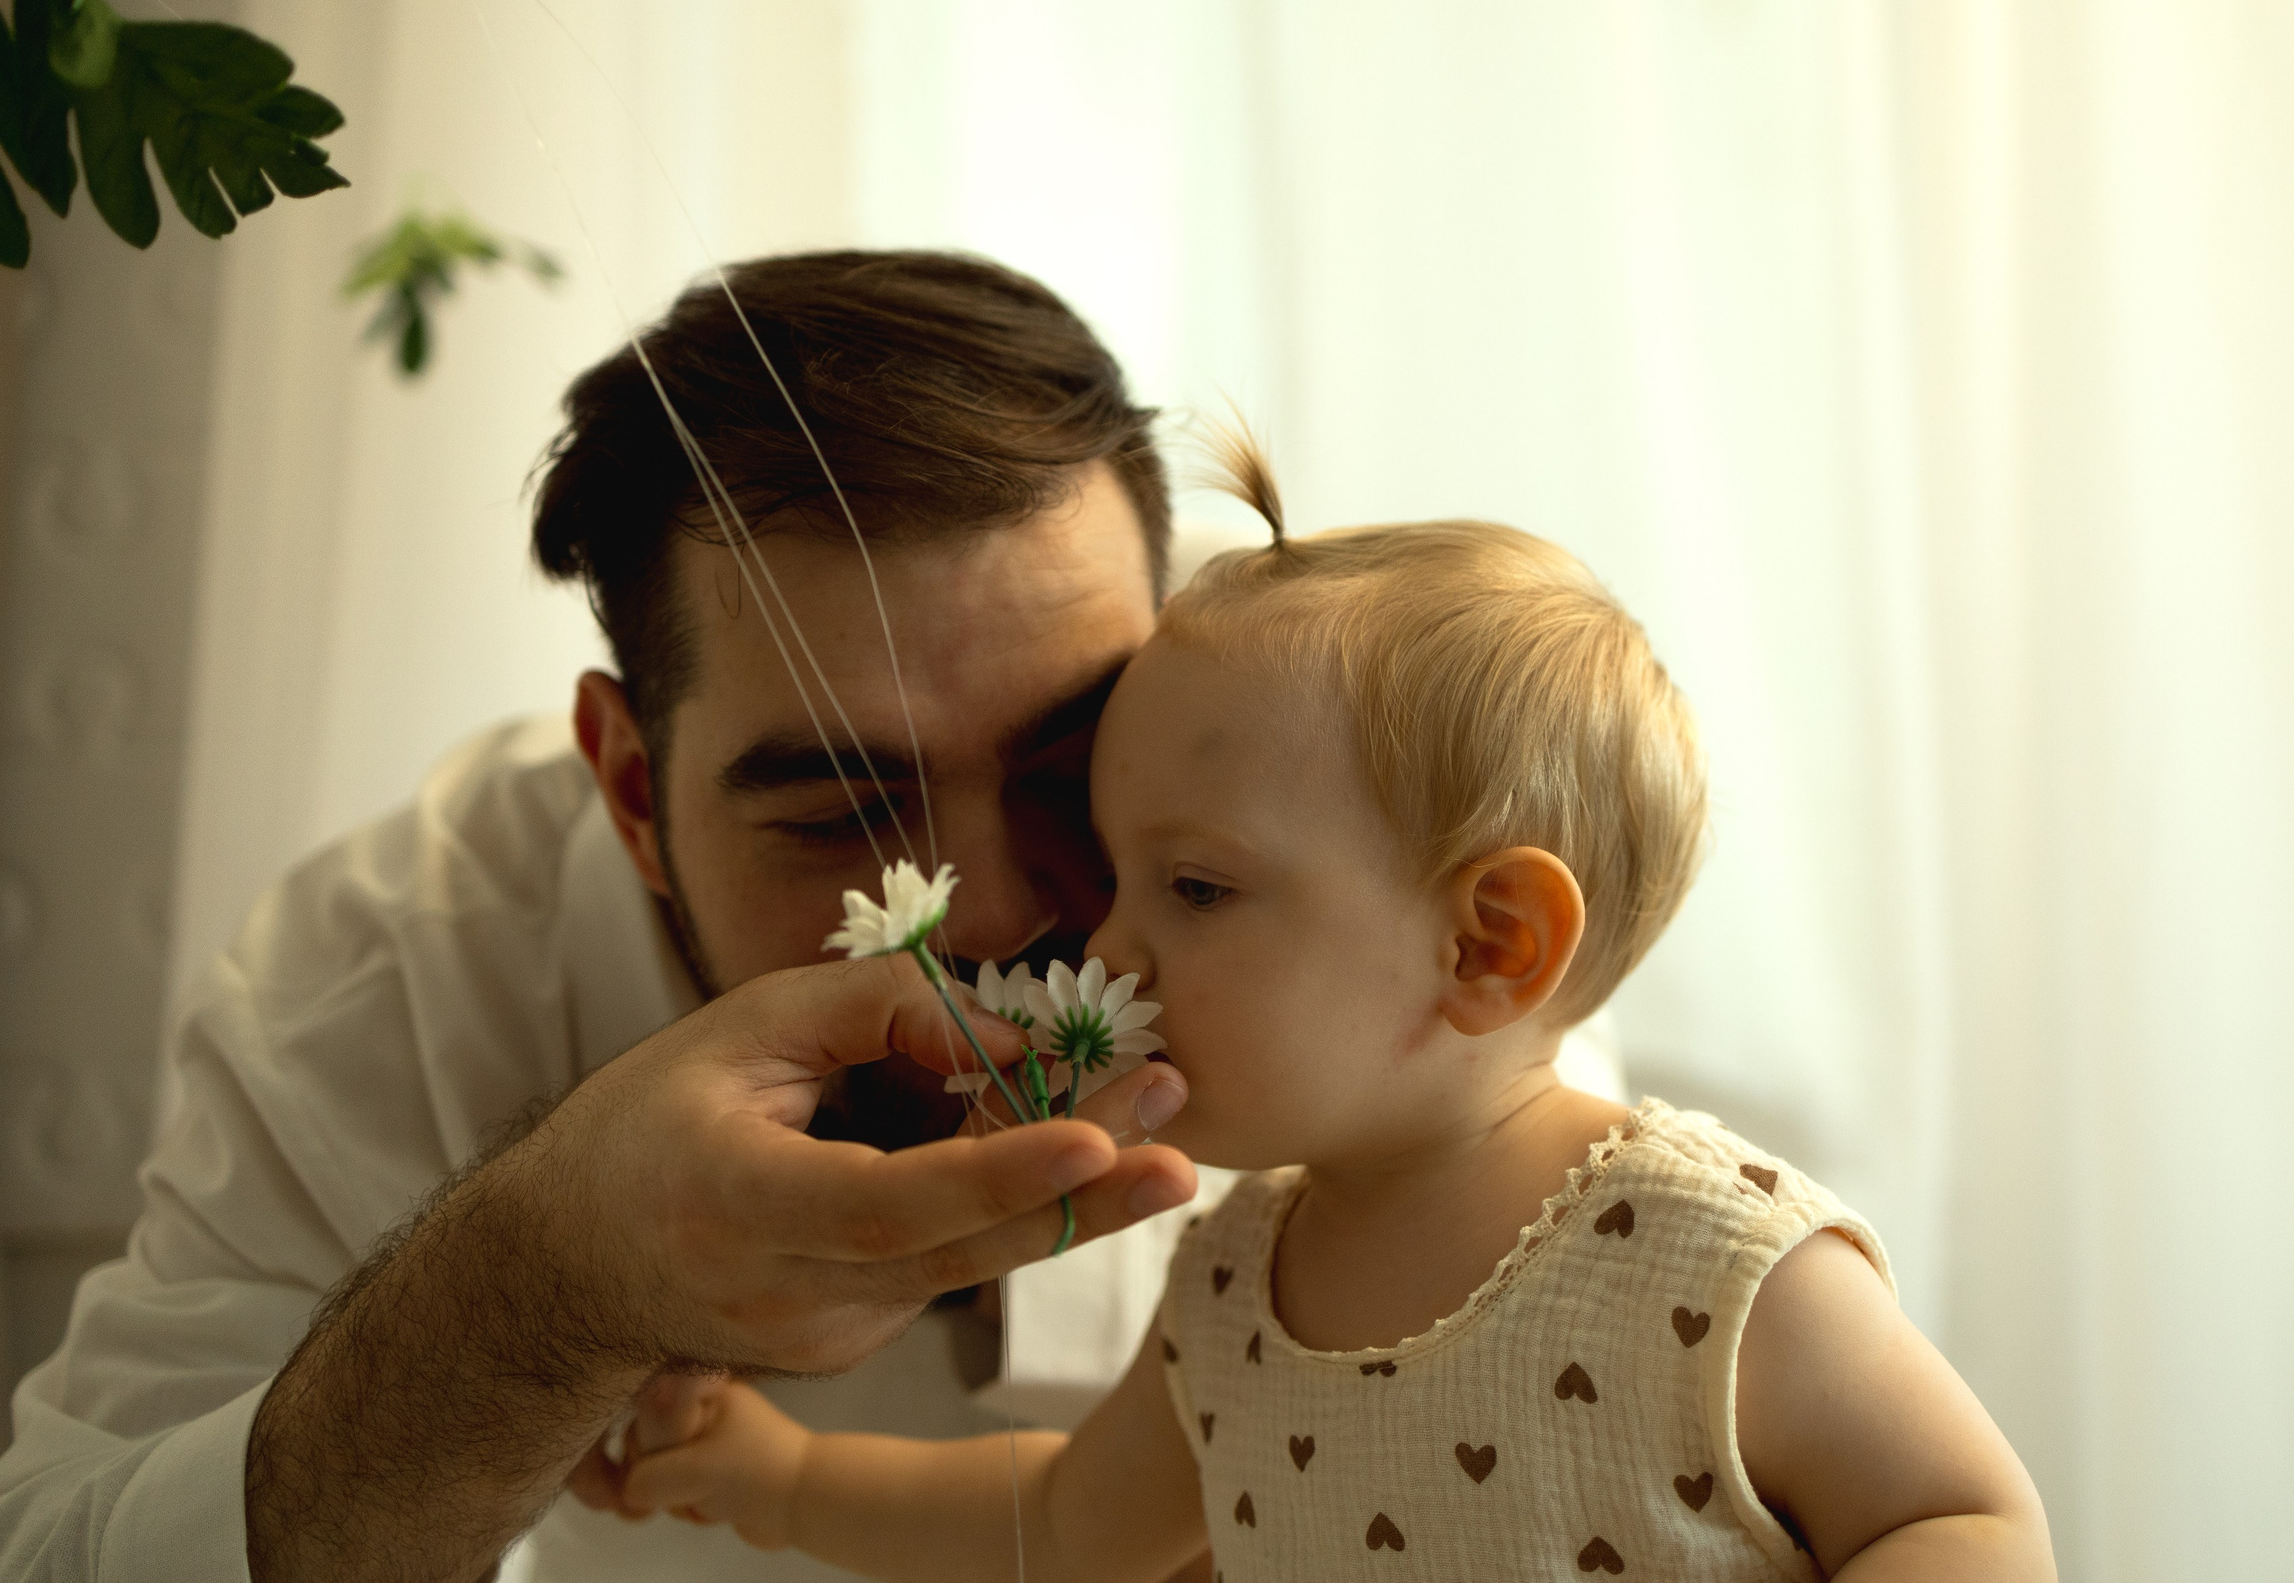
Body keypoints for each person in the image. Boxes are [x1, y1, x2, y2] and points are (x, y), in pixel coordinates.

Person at [0, 252, 1216, 1583]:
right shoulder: (393, 979)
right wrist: (546, 1292)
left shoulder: (1339, 836)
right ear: (631, 787)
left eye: (1070, 771)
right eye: (841, 808)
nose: (1004, 908)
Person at [608, 443, 2059, 1581]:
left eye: (1193, 886)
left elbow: (1967, 1520)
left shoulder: (1708, 1257)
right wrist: (779, 1482)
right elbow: (1059, 1529)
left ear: (1488, 944)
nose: (1103, 942)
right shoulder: (1232, 1291)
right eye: (1118, 877)